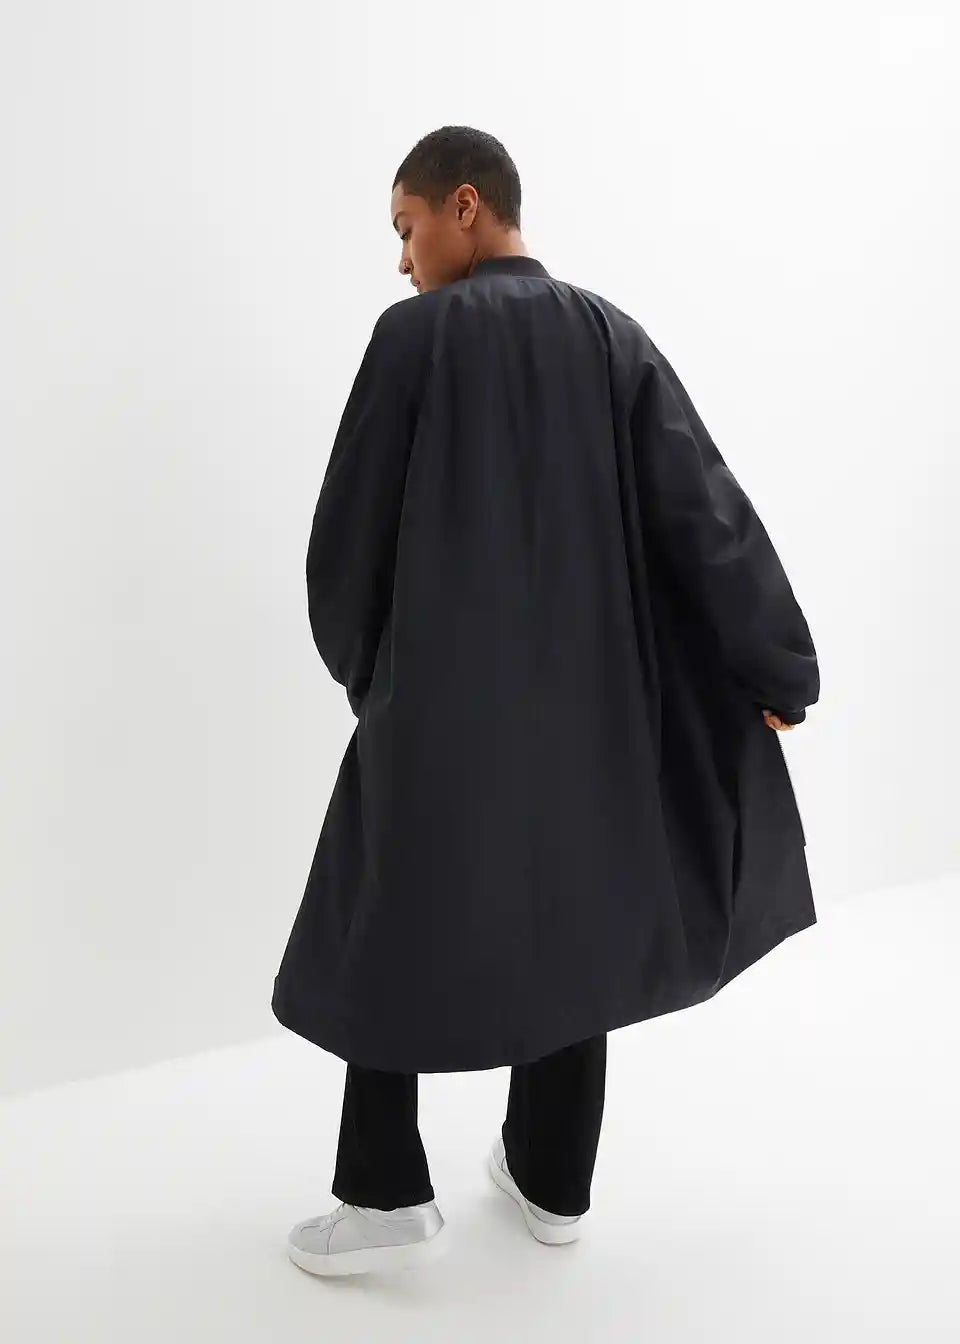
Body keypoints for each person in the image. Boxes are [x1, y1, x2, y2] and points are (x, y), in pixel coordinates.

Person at [273, 126, 820, 1276]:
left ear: (465, 206)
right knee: (579, 912)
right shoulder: (610, 336)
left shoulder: (412, 340)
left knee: (386, 918)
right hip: (594, 715)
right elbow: (705, 518)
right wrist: (777, 668)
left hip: (436, 712)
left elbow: (345, 541)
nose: (402, 258)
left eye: (406, 228)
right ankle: (553, 1178)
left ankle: (384, 1192)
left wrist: (370, 673)